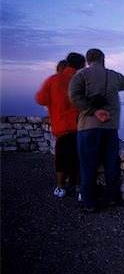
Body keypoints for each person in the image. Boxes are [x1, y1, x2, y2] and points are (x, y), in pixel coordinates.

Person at [69, 48, 124, 212]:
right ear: (103, 59)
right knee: (111, 164)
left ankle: (89, 203)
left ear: (88, 60)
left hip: (88, 127)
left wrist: (92, 111)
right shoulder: (113, 75)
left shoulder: (81, 75)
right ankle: (111, 198)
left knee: (88, 166)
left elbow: (74, 97)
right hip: (110, 127)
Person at [36, 54, 85, 198]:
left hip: (63, 129)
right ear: (81, 65)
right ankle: (78, 186)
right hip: (81, 128)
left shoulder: (53, 80)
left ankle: (60, 187)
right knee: (78, 159)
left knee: (62, 161)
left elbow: (40, 99)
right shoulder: (82, 81)